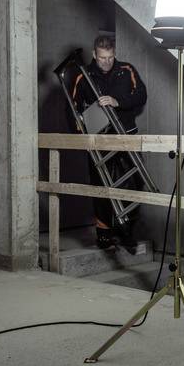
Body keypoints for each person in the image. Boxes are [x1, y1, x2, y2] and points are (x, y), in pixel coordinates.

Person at [71, 35, 147, 250]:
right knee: (101, 185)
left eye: (110, 57)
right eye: (102, 58)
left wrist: (118, 102)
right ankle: (104, 235)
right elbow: (74, 109)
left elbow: (141, 95)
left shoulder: (126, 70)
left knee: (133, 183)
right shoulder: (83, 76)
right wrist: (83, 134)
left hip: (126, 136)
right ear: (95, 54)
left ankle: (127, 232)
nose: (106, 62)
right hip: (99, 140)